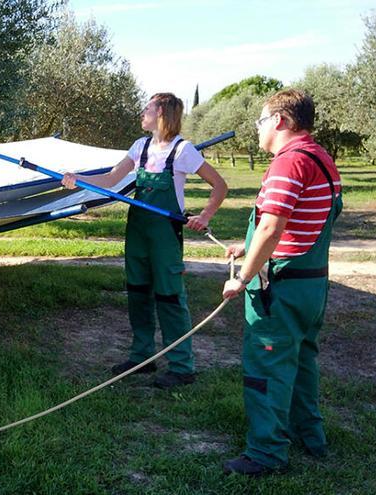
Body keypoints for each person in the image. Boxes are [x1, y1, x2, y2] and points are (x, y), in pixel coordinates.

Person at [62, 93, 228, 389]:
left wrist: (204, 216)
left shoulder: (183, 150)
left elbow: (220, 185)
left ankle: (181, 366)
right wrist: (79, 179)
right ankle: (142, 357)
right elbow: (112, 179)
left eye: (147, 108)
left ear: (162, 112)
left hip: (165, 233)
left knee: (169, 296)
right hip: (137, 230)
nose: (142, 112)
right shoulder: (141, 146)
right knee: (137, 292)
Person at [221, 89, 342, 476]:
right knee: (303, 361)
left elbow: (272, 226)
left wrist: (242, 278)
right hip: (312, 286)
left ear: (281, 121)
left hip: (281, 288)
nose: (257, 129)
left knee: (267, 367)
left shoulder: (287, 163)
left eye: (260, 121)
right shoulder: (321, 158)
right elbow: (298, 220)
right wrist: (249, 246)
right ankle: (311, 436)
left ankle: (266, 453)